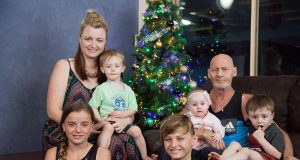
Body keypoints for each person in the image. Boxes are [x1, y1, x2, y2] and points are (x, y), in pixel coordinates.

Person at [43, 8, 141, 159]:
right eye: (88, 38)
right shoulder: (64, 66)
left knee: (122, 140)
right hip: (69, 131)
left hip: (104, 131)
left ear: (105, 42)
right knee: (111, 142)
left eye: (99, 40)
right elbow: (53, 111)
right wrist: (84, 128)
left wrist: (126, 120)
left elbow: (126, 106)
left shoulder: (112, 69)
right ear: (80, 38)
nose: (93, 45)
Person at [198, 53, 297, 160]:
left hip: (237, 155)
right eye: (215, 70)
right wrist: (203, 132)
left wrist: (288, 156)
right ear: (209, 73)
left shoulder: (246, 101)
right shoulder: (199, 99)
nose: (220, 74)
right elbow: (179, 124)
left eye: (225, 69)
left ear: (234, 72)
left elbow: (280, 132)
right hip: (207, 153)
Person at [88, 49, 152, 160]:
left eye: (116, 66)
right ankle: (100, 155)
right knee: (108, 129)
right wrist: (100, 120)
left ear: (122, 68)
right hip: (108, 121)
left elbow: (133, 108)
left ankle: (144, 156)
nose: (113, 69)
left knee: (136, 131)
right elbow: (92, 106)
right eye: (108, 67)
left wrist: (123, 115)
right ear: (103, 69)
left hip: (123, 121)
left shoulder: (128, 90)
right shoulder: (101, 89)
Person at [209, 95, 284, 160]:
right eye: (254, 117)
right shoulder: (252, 126)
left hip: (267, 157)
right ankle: (222, 158)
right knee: (235, 144)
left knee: (246, 151)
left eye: (264, 116)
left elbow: (278, 155)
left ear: (272, 116)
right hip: (251, 154)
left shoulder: (274, 131)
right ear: (249, 116)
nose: (259, 121)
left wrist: (261, 139)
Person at [44, 101, 111, 160]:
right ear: (64, 126)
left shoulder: (102, 154)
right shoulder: (52, 154)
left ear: (91, 127)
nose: (78, 130)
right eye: (72, 124)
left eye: (84, 125)